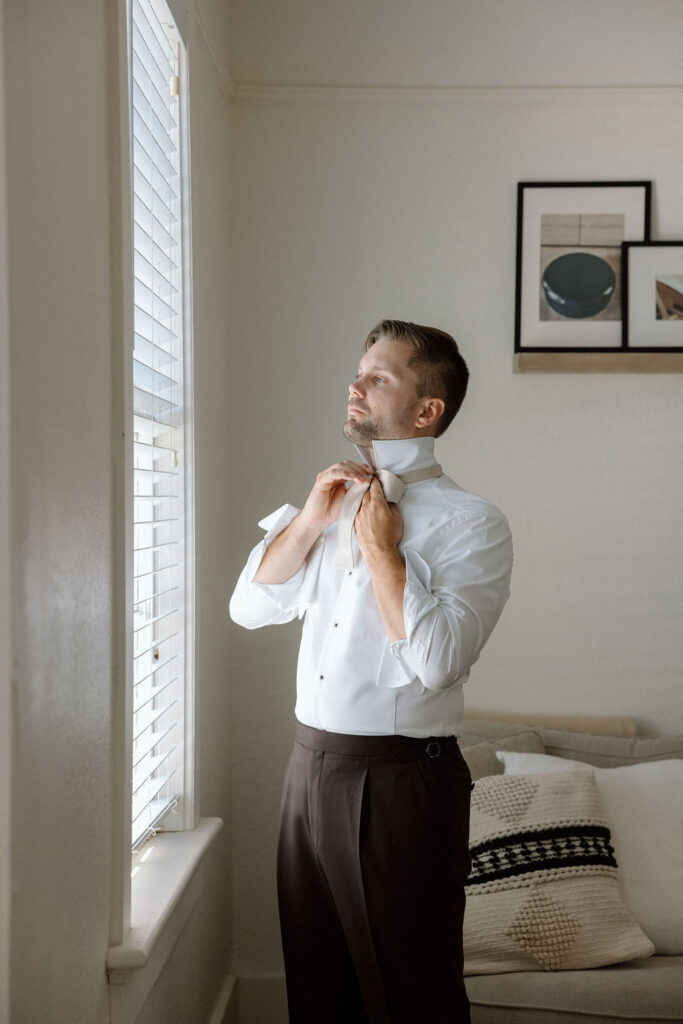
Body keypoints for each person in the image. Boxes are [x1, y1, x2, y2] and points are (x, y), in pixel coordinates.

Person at [229, 319, 513, 1024]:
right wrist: (307, 524)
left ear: (426, 411)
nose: (354, 386)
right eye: (358, 371)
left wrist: (386, 553)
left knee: (411, 997)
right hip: (308, 769)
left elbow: (439, 662)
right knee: (318, 989)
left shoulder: (473, 524)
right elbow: (246, 610)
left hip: (401, 783)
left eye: (378, 377)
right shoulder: (330, 502)